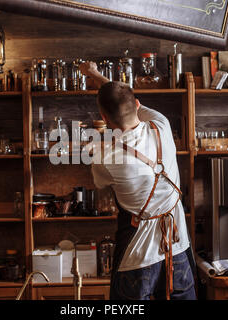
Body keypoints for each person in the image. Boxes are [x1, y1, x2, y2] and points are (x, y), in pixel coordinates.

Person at [79, 61, 196, 300]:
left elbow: (102, 183)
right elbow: (126, 100)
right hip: (177, 244)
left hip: (138, 254)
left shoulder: (105, 159)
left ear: (103, 117)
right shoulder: (161, 124)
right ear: (136, 105)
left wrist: (96, 147)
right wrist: (95, 74)